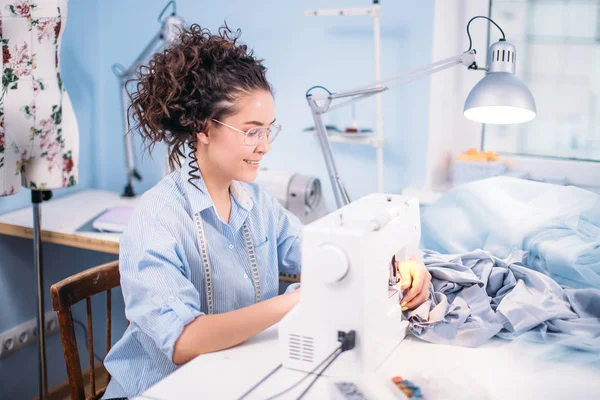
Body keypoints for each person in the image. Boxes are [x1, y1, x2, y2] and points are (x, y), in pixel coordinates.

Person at [102, 24, 432, 399]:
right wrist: (295, 300)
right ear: (203, 128)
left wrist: (404, 261)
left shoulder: (255, 203)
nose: (265, 146)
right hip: (162, 389)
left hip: (231, 377)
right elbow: (182, 341)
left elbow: (324, 254)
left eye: (269, 130)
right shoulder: (158, 218)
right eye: (251, 131)